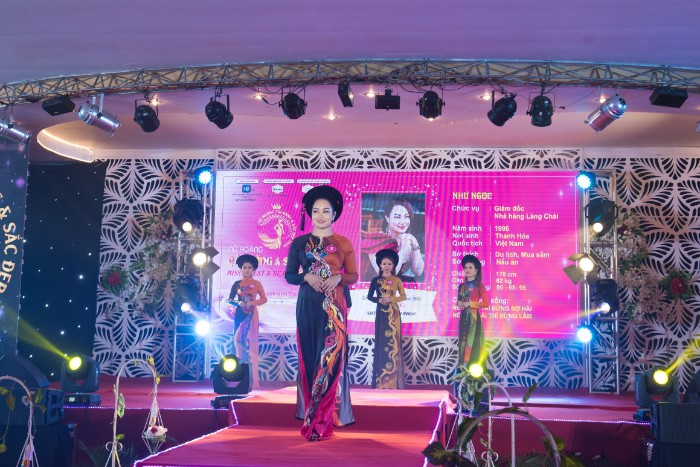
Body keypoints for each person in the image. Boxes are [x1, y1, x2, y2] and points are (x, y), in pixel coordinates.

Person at [285, 185, 358, 441]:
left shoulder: (343, 243)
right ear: (309, 213)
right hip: (307, 305)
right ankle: (311, 419)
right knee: (309, 360)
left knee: (329, 361)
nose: (320, 215)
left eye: (326, 211)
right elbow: (289, 276)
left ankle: (321, 424)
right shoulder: (299, 243)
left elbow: (353, 276)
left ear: (334, 214)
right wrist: (306, 276)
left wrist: (338, 279)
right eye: (316, 211)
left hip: (334, 307)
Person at [367, 248, 407, 389]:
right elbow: (369, 296)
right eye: (384, 263)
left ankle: (393, 382)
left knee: (393, 344)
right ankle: (380, 382)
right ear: (380, 265)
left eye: (389, 264)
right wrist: (379, 300)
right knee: (381, 343)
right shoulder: (375, 281)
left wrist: (391, 299)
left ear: (393, 265)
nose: (386, 266)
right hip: (381, 314)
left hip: (394, 315)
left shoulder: (397, 280)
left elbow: (403, 296)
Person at [227, 254, 267, 389]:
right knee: (238, 342)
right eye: (244, 267)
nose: (247, 270)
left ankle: (254, 381)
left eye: (249, 267)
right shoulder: (236, 284)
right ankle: (237, 378)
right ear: (241, 269)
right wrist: (239, 303)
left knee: (252, 345)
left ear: (253, 269)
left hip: (252, 315)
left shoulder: (257, 284)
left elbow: (264, 299)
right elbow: (230, 299)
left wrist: (252, 302)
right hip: (239, 315)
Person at [361, 198, 424, 281]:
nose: (403, 222)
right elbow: (387, 276)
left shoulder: (408, 239)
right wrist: (403, 248)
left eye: (406, 216)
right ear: (387, 218)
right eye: (397, 217)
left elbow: (418, 272)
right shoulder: (376, 241)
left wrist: (415, 245)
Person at [456, 254, 489, 367]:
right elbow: (459, 301)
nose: (467, 270)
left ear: (476, 270)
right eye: (465, 267)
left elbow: (486, 303)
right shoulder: (461, 286)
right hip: (464, 317)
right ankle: (462, 366)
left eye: (470, 267)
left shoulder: (480, 286)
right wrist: (459, 303)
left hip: (474, 318)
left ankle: (473, 365)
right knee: (463, 342)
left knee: (473, 341)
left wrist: (470, 304)